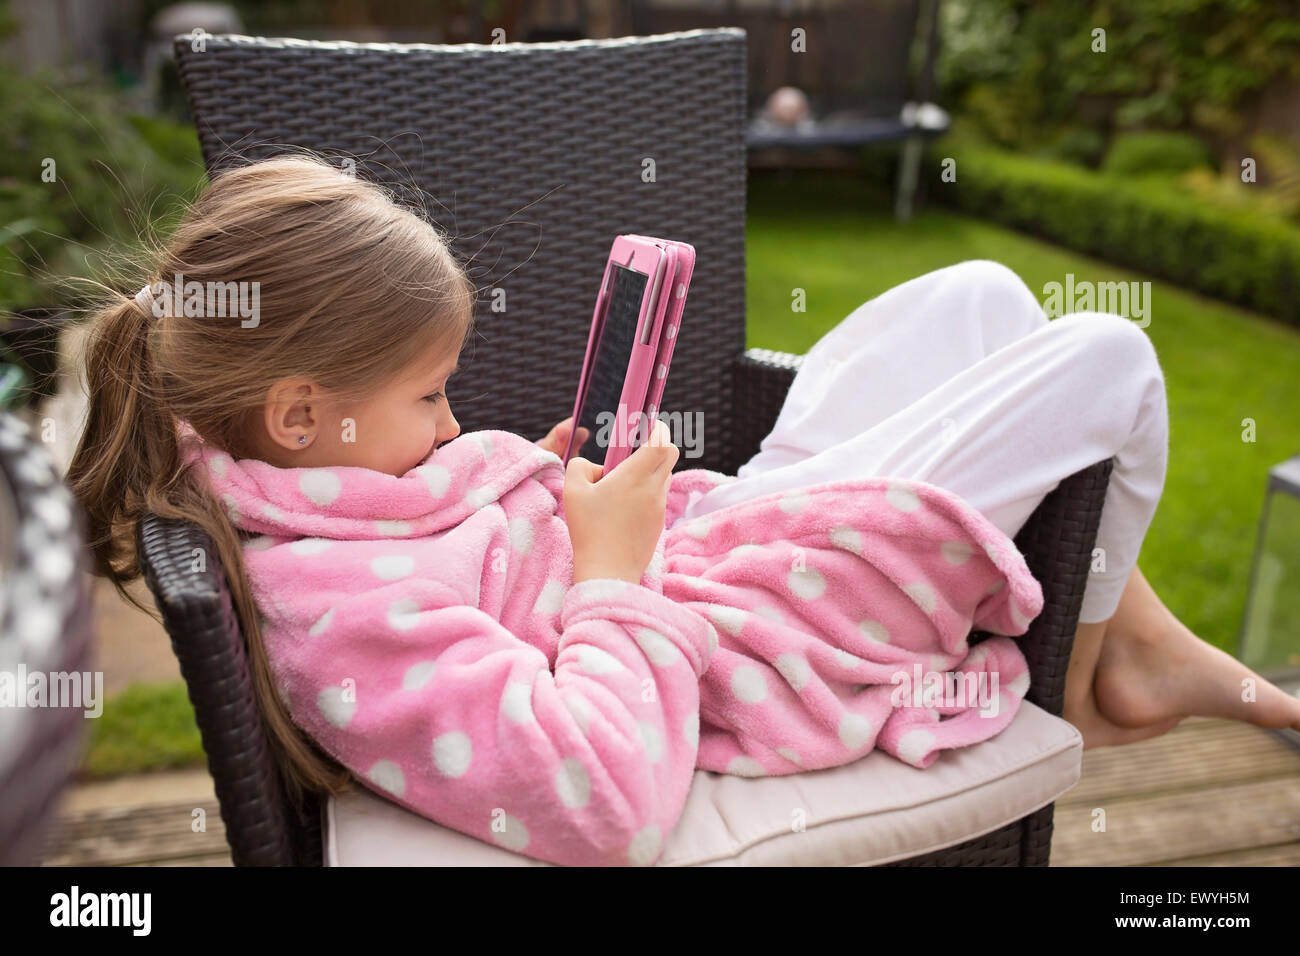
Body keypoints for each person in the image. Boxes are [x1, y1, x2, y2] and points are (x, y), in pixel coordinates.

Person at [68, 154, 1300, 866]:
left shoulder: (313, 479)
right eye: (432, 393)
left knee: (975, 296)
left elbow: (468, 539)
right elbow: (593, 792)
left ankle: (1126, 632)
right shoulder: (336, 616)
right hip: (754, 631)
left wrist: (540, 486)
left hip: (709, 543)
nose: (450, 423)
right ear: (298, 413)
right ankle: (1101, 662)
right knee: (1104, 352)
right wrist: (609, 570)